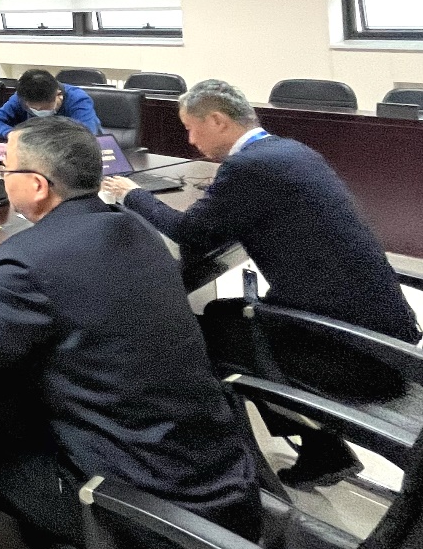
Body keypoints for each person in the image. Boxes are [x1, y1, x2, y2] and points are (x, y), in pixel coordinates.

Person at [0, 116, 261, 549]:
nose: (1, 178)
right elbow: (86, 285)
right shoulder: (134, 227)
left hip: (145, 509)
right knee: (17, 404)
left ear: (36, 185)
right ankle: (45, 536)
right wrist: (3, 282)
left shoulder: (30, 256)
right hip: (219, 476)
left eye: (5, 170)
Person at [102, 78, 421, 489]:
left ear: (217, 120)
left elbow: (192, 233)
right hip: (388, 334)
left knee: (202, 337)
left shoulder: (247, 168)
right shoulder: (290, 151)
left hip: (356, 354)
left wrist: (130, 194)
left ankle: (233, 463)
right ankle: (321, 450)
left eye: (192, 129)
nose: (191, 140)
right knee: (220, 313)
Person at [0, 69, 100, 140]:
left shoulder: (78, 100)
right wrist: (13, 133)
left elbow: (87, 136)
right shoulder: (21, 97)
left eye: (44, 108)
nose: (38, 111)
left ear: (58, 95)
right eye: (33, 108)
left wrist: (43, 139)